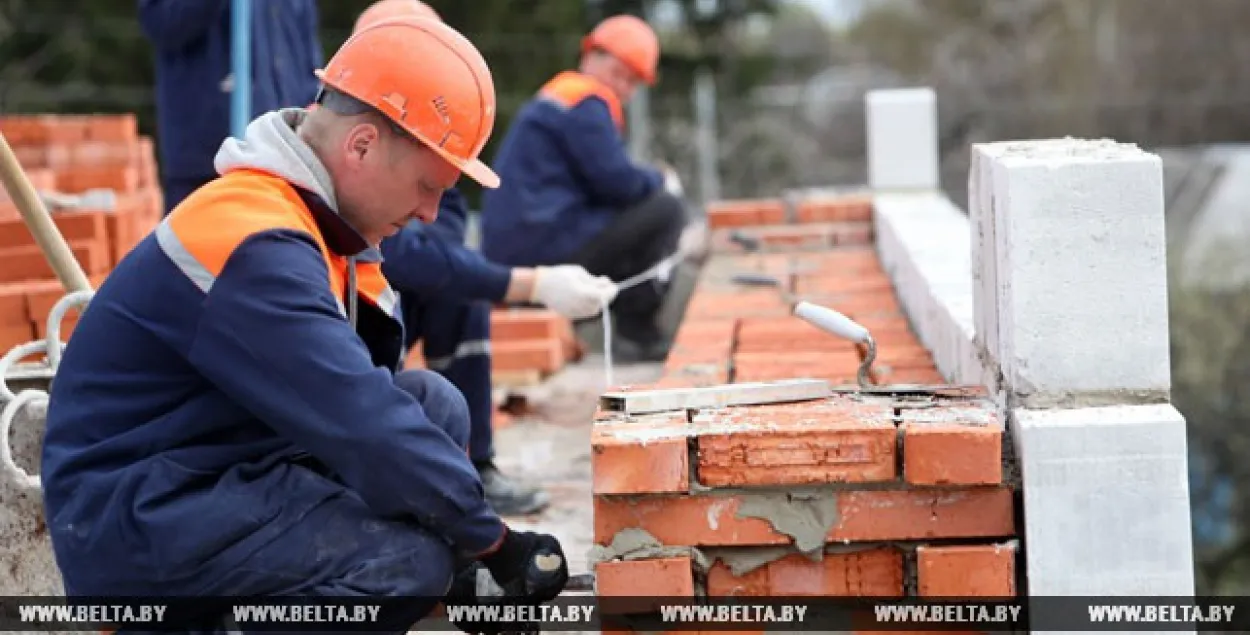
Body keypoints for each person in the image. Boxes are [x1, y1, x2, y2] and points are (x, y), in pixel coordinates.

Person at [40, 16, 568, 630]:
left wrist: (464, 553)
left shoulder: (315, 221)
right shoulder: (252, 241)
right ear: (362, 145)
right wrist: (497, 546)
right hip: (138, 519)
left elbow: (382, 403)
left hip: (213, 468)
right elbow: (362, 424)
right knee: (404, 568)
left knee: (434, 404)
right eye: (428, 187)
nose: (429, 213)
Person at [354, 0, 619, 515]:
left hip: (408, 280)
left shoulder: (436, 119)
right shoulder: (355, 134)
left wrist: (443, 254)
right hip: (357, 300)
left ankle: (475, 465)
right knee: (442, 282)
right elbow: (401, 256)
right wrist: (531, 284)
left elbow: (443, 216)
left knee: (461, 292)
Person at [479, 14, 701, 363]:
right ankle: (636, 329)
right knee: (666, 208)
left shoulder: (556, 97)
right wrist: (660, 178)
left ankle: (578, 327)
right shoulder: (587, 101)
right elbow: (619, 183)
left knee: (628, 214)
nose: (623, 88)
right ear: (590, 58)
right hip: (543, 249)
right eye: (618, 74)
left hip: (518, 250)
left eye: (632, 82)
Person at [137, 0, 323, 214]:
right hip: (206, 161)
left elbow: (303, 50)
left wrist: (310, 110)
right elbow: (162, 24)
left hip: (283, 162)